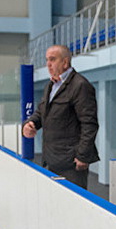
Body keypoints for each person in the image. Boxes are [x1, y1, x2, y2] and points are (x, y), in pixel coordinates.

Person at [22, 45, 99, 189]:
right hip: (50, 160)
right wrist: (30, 123)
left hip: (71, 164)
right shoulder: (50, 86)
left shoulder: (80, 85)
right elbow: (41, 112)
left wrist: (82, 156)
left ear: (65, 62)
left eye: (52, 59)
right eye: (47, 60)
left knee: (72, 206)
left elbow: (89, 124)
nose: (48, 64)